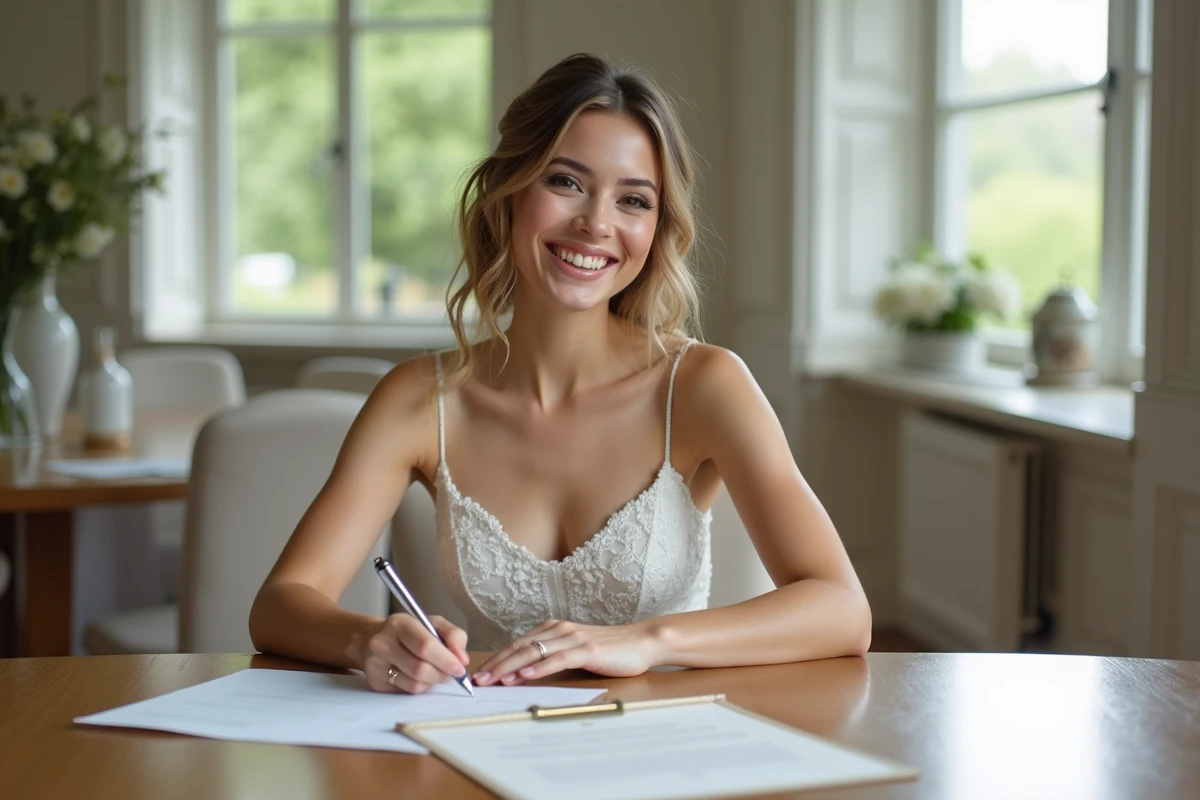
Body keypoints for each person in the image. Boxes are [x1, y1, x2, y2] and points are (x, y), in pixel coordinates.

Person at [249, 53, 871, 694]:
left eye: (633, 199)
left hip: (666, 755)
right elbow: (280, 603)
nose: (597, 223)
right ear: (509, 190)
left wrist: (646, 641)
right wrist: (369, 639)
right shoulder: (419, 399)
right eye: (565, 182)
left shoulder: (702, 385)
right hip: (488, 748)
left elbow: (842, 609)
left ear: (656, 230)